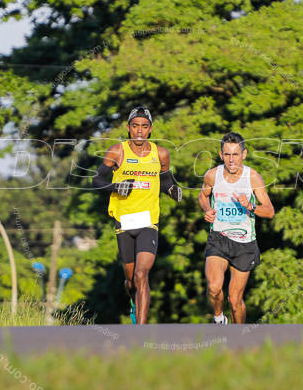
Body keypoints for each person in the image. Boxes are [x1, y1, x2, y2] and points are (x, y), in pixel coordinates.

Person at [92, 106, 182, 324]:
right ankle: (132, 299)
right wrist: (116, 186)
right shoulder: (117, 151)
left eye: (144, 126)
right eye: (135, 126)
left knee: (142, 274)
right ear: (128, 128)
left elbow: (166, 181)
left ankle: (140, 330)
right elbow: (97, 181)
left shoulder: (161, 153)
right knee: (131, 280)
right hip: (124, 220)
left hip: (149, 220)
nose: (139, 131)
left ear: (150, 129)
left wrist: (173, 191)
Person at [198, 132, 274, 324]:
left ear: (244, 154)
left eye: (236, 154)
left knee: (234, 300)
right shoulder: (213, 175)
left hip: (244, 244)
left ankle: (239, 338)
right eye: (227, 154)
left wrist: (250, 206)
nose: (231, 160)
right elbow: (202, 195)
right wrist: (207, 209)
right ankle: (218, 319)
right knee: (214, 287)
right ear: (221, 154)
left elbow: (270, 211)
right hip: (219, 239)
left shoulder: (253, 177)